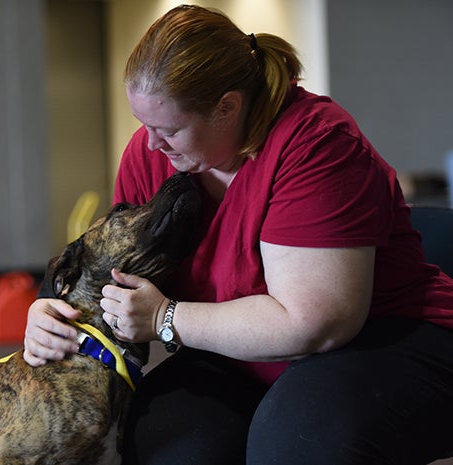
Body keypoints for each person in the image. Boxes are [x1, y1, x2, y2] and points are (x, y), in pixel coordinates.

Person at [24, 5, 453, 464]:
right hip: (234, 352)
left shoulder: (316, 144)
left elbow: (316, 324)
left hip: (380, 338)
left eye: (169, 129)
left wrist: (166, 318)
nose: (151, 144)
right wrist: (51, 315)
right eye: (143, 125)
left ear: (227, 106)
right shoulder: (152, 156)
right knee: (168, 446)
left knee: (297, 444)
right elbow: (117, 280)